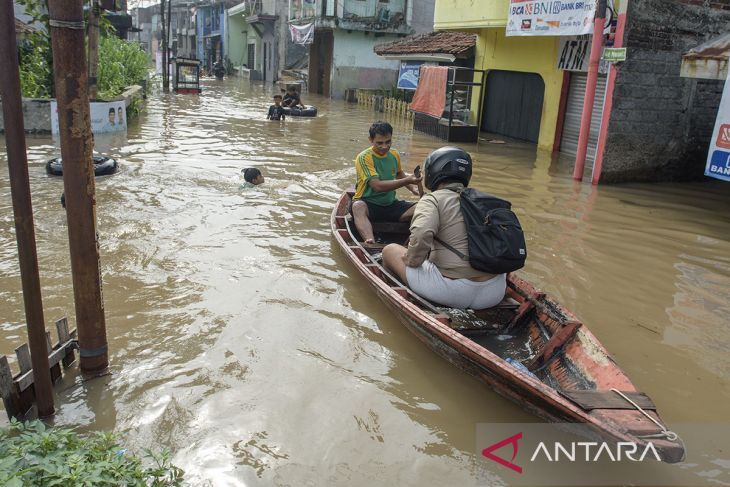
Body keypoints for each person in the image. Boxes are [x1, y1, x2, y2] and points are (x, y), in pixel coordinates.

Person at [381, 147, 507, 309]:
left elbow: (421, 234)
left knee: (389, 250)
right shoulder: (485, 200)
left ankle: (401, 301)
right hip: (494, 292)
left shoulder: (433, 199)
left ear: (433, 171)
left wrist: (410, 261)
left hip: (451, 292)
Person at [351, 121, 421, 245]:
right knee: (357, 207)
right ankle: (370, 240)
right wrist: (408, 180)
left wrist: (412, 189)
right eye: (379, 143)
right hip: (368, 204)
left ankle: (411, 242)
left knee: (423, 209)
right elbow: (377, 186)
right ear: (371, 140)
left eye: (388, 142)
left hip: (390, 204)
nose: (385, 146)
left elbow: (399, 173)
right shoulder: (364, 158)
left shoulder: (394, 154)